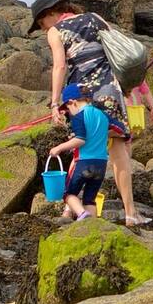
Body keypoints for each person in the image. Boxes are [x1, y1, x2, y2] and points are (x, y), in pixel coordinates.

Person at [31, 0, 153, 225]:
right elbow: (117, 48)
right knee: (119, 151)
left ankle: (69, 209)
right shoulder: (94, 18)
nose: (43, 29)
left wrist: (55, 103)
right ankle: (131, 213)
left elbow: (60, 66)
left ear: (50, 14)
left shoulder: (56, 31)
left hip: (81, 98)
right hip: (109, 90)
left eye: (41, 24)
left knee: (81, 149)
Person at [49, 86, 110, 221]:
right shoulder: (103, 115)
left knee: (68, 194)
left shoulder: (78, 116)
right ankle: (93, 225)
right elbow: (115, 130)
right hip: (101, 163)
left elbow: (80, 140)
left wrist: (59, 148)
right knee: (90, 198)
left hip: (84, 162)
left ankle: (82, 213)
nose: (69, 112)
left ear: (73, 102)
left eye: (68, 108)